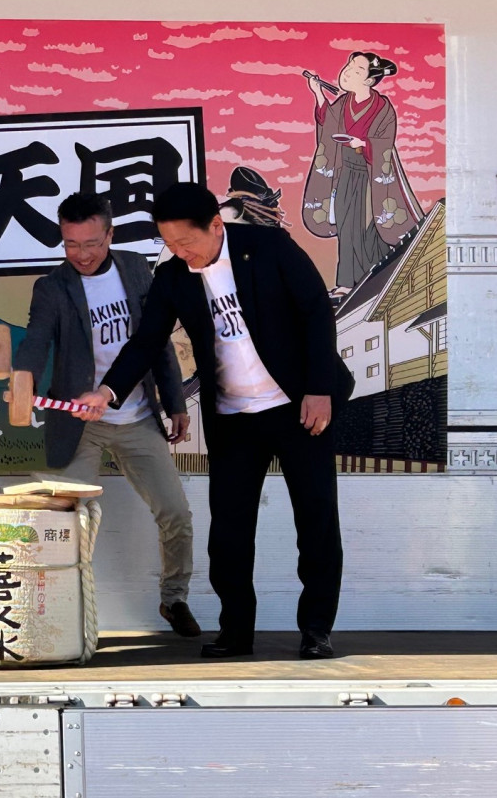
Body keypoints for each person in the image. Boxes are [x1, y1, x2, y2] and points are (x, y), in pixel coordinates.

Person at [76, 182, 353, 660]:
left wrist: (319, 389)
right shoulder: (174, 276)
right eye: (170, 243)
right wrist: (107, 391)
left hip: (297, 407)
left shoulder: (268, 248)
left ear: (216, 225)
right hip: (234, 417)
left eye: (187, 242)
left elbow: (315, 313)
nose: (180, 252)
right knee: (228, 532)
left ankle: (316, 630)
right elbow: (146, 342)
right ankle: (236, 632)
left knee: (316, 521)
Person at [13, 192, 201, 638]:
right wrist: (24, 380)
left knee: (176, 513)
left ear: (110, 234)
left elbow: (156, 340)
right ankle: (61, 612)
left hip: (137, 415)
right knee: (64, 523)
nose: (81, 254)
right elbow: (36, 339)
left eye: (92, 244)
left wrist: (175, 401)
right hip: (79, 423)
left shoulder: (136, 269)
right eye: (71, 244)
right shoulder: (52, 287)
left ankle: (175, 598)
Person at [302, 51, 424, 297]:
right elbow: (328, 125)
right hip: (345, 173)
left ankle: (376, 282)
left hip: (371, 177)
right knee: (346, 225)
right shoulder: (342, 103)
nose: (347, 72)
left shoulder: (383, 108)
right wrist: (318, 93)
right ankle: (347, 283)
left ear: (369, 80)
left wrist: (362, 143)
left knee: (370, 228)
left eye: (356, 70)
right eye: (349, 66)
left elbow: (385, 144)